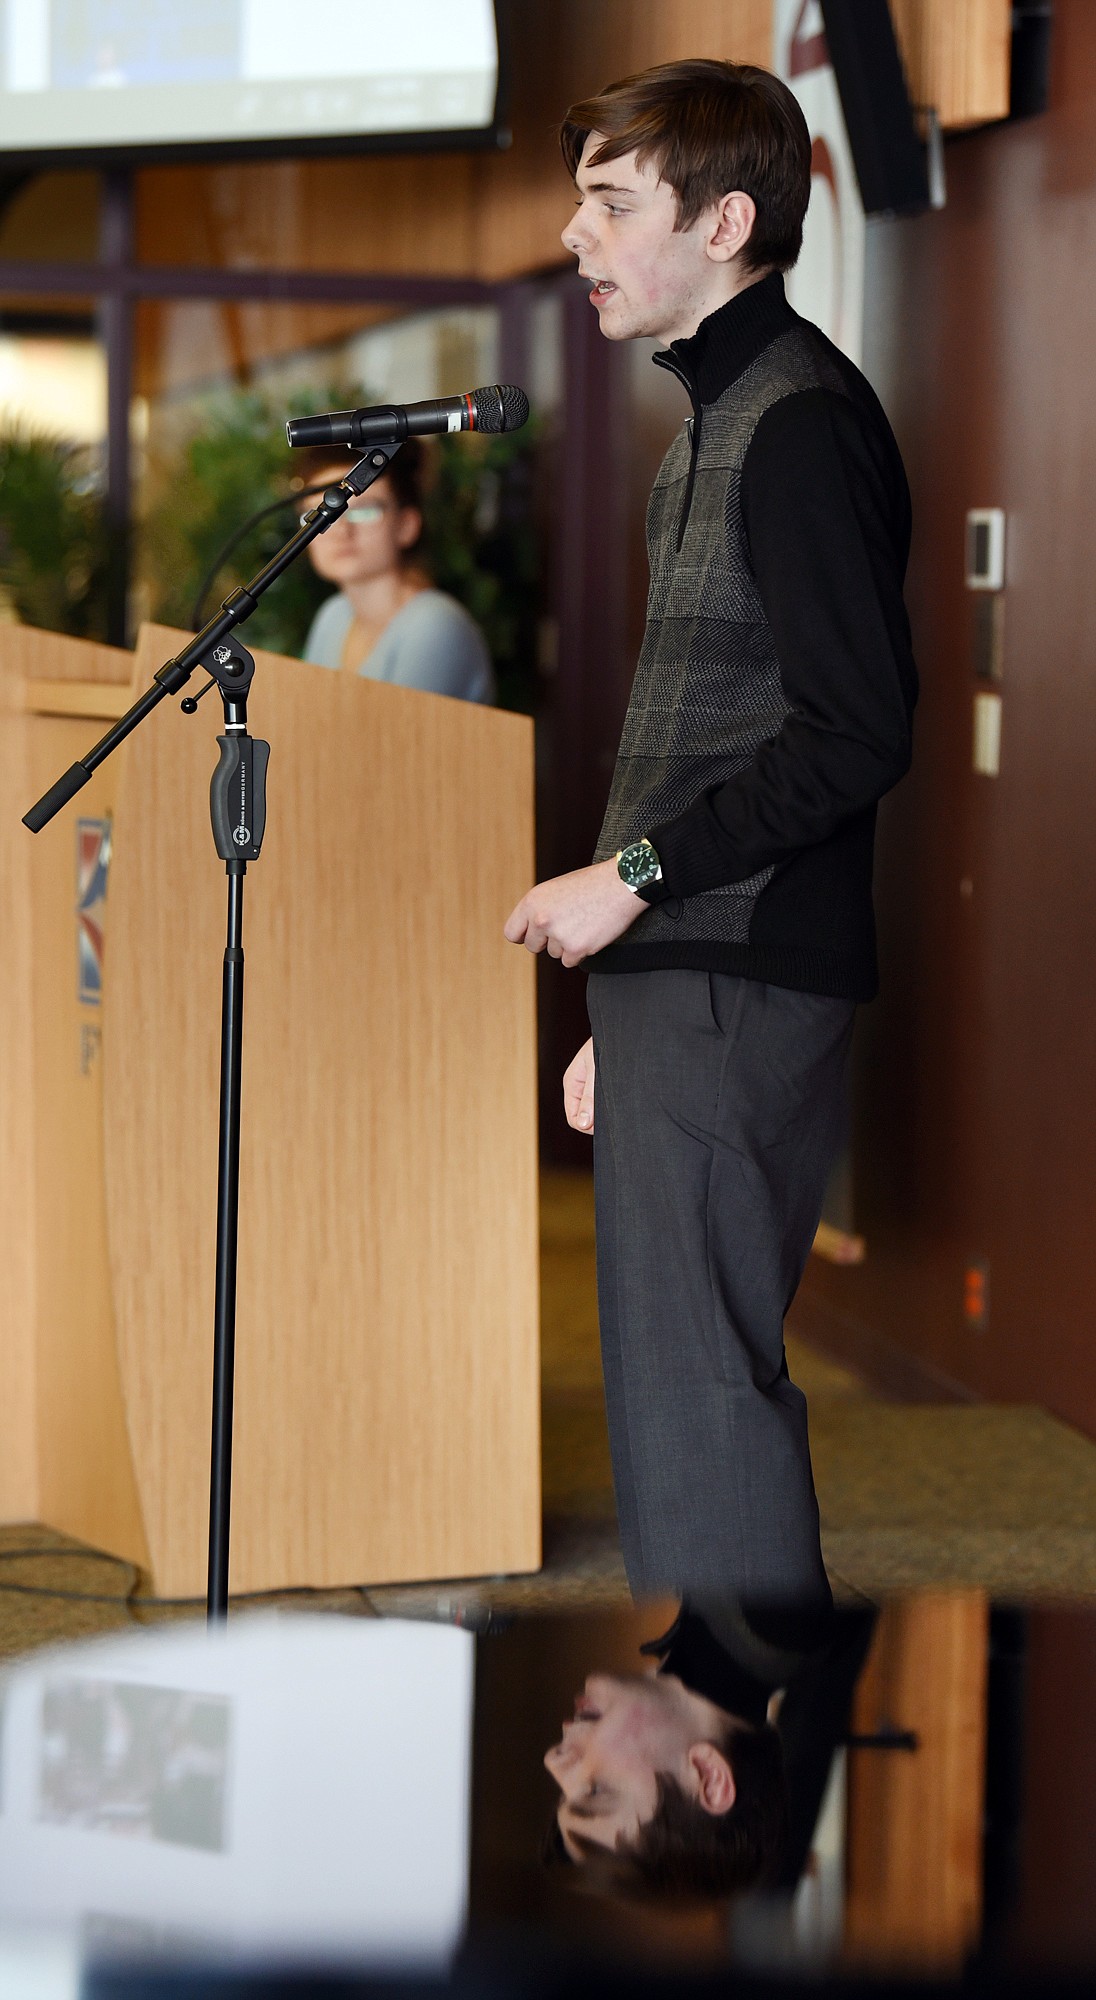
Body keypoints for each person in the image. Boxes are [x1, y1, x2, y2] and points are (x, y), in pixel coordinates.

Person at [504, 61, 917, 1604]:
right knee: (675, 1399)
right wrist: (639, 982)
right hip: (696, 978)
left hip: (742, 969)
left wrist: (633, 885)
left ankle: (713, 1778)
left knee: (703, 1403)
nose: (574, 232)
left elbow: (857, 733)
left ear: (726, 220)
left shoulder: (797, 423)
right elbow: (723, 726)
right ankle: (713, 1758)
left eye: (613, 203)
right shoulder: (723, 415)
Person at [543, 1596, 877, 1905]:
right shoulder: (773, 1613)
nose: (554, 1761)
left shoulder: (743, 1626)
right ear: (708, 1775)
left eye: (564, 1793)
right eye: (596, 1790)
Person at [298, 438, 494, 702]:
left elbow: (394, 741)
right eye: (322, 514)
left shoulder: (434, 625)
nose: (342, 530)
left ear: (407, 525)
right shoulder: (333, 616)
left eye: (364, 510)